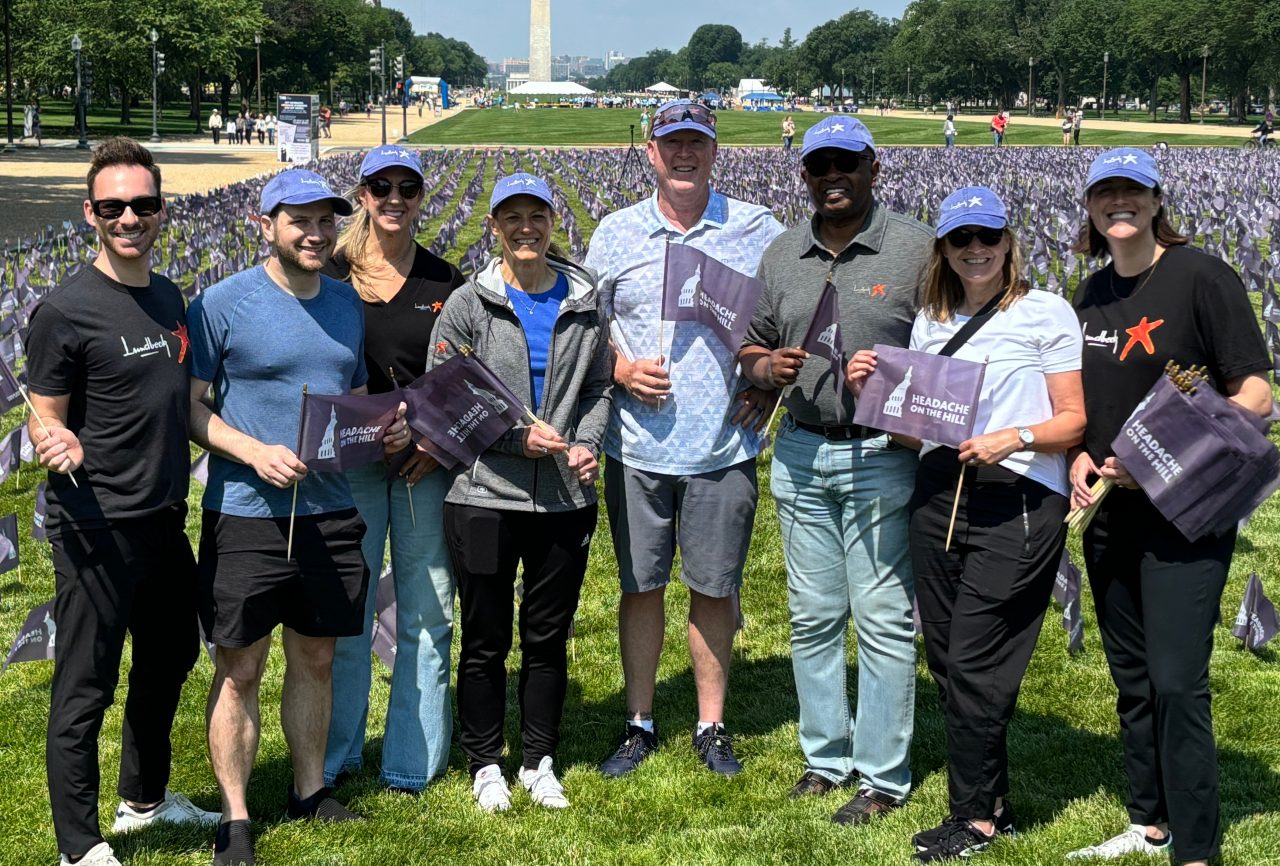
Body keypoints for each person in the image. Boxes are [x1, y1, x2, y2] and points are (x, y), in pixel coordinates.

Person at [846, 186, 1085, 860]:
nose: (975, 249)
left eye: (987, 236)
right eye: (960, 239)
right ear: (943, 250)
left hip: (1017, 497)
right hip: (938, 494)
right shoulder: (931, 320)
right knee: (949, 657)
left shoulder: (1046, 312)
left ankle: (972, 818)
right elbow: (920, 427)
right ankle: (994, 801)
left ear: (1008, 243)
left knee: (978, 656)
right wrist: (873, 390)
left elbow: (1073, 419)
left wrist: (1017, 436)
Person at [188, 169, 411, 866]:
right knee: (241, 666)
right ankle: (235, 816)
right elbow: (191, 408)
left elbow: (356, 399)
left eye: (323, 221)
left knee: (316, 657)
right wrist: (253, 451)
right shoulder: (220, 303)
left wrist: (386, 430)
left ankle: (309, 791)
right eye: (299, 221)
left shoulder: (346, 304)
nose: (314, 234)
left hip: (331, 511)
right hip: (247, 512)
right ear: (266, 226)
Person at [1065, 149, 1272, 865]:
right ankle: (1149, 823)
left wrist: (1162, 457)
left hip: (1186, 514)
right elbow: (1086, 400)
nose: (1118, 203)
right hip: (1110, 515)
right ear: (1090, 206)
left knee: (1177, 680)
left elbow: (1256, 395)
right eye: (1105, 192)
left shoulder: (1203, 277)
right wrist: (1080, 453)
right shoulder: (1089, 294)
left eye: (1133, 191)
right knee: (1132, 678)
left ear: (1157, 201)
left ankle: (1198, 847)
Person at [27, 137, 220, 866]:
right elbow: (42, 416)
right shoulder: (65, 311)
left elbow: (186, 401)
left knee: (170, 657)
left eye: (143, 204)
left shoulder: (169, 297)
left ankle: (143, 800)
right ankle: (79, 846)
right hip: (95, 524)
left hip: (164, 518)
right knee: (86, 686)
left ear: (162, 209)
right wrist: (54, 441)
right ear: (91, 214)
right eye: (113, 208)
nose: (129, 218)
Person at [738, 116, 931, 822]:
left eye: (846, 163)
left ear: (873, 168)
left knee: (881, 618)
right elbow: (751, 344)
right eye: (819, 166)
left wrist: (895, 382)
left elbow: (950, 351)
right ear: (806, 175)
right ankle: (825, 758)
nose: (832, 177)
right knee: (813, 615)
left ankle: (881, 775)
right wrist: (766, 367)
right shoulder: (783, 252)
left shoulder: (917, 249)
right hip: (801, 449)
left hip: (883, 454)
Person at [586, 99, 783, 779]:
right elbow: (585, 326)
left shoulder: (757, 229)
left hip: (723, 445)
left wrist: (769, 384)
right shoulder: (616, 233)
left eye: (696, 141)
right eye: (672, 143)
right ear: (651, 152)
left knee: (713, 587)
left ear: (714, 150)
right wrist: (619, 369)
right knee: (641, 586)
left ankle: (711, 724)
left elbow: (791, 319)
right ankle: (639, 722)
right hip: (636, 446)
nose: (684, 154)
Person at [429, 172, 611, 811]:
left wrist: (586, 442)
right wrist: (514, 440)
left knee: (547, 636)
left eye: (537, 215)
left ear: (553, 222)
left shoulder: (585, 300)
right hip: (482, 497)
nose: (525, 228)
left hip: (564, 498)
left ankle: (539, 760)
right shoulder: (468, 304)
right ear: (494, 227)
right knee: (484, 638)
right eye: (512, 217)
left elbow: (599, 387)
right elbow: (445, 395)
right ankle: (485, 762)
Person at [324, 145, 466, 793]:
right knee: (346, 613)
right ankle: (335, 756)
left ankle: (413, 760)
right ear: (363, 195)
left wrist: (432, 439)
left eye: (407, 187)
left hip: (421, 468)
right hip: (349, 464)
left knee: (427, 613)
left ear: (420, 197)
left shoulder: (444, 281)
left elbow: (463, 378)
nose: (394, 198)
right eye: (381, 186)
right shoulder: (331, 275)